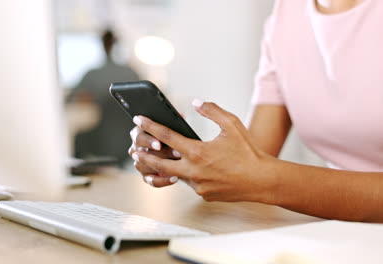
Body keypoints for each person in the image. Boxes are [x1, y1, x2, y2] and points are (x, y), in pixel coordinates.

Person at [129, 0, 383, 222]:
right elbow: (251, 159)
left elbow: (258, 176)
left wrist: (269, 181)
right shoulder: (287, 13)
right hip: (340, 230)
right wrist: (187, 157)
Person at [67, 29, 140, 166]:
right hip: (130, 137)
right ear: (116, 44)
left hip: (101, 138)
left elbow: (71, 99)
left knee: (78, 137)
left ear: (101, 44)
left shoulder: (92, 75)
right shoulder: (131, 73)